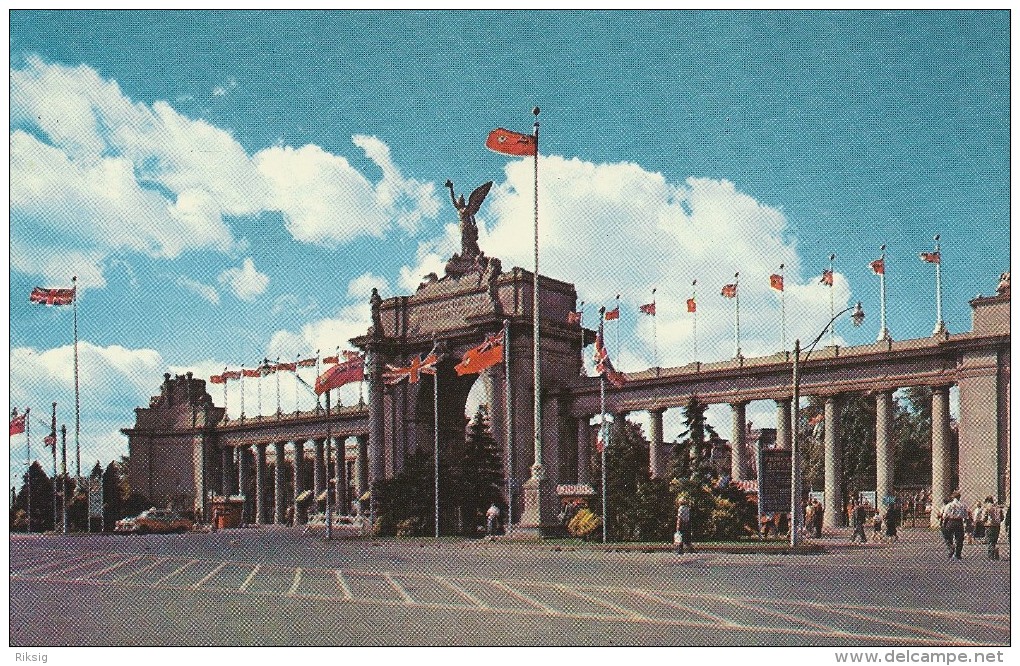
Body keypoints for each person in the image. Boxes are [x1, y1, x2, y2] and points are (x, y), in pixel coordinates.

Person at [940, 491, 969, 560]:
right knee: (959, 539)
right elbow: (966, 515)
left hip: (951, 521)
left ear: (953, 497)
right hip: (959, 522)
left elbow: (945, 515)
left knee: (947, 535)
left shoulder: (949, 505)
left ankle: (951, 546)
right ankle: (958, 554)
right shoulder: (963, 505)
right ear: (959, 497)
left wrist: (943, 519)